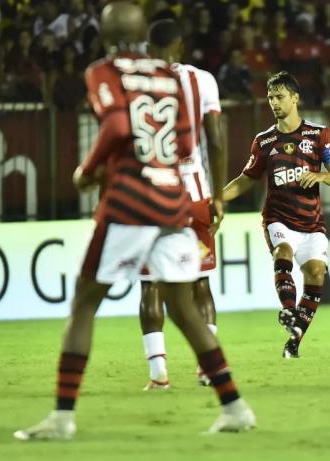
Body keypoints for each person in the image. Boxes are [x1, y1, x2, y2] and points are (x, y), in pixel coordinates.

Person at [13, 2, 254, 441]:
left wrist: (88, 171)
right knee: (184, 307)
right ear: (144, 35)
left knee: (84, 303)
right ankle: (235, 406)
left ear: (104, 36)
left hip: (130, 202)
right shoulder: (171, 76)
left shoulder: (104, 72)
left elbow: (118, 127)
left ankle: (63, 418)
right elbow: (185, 141)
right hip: (174, 201)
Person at [222, 71, 330, 359]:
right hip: (278, 217)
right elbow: (246, 178)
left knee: (316, 274)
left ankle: (294, 341)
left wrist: (319, 175)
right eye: (270, 98)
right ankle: (288, 311)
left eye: (280, 97)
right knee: (283, 251)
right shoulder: (264, 141)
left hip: (312, 223)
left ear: (295, 98)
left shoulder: (318, 134)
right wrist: (217, 199)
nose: (274, 103)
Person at [139, 18, 227, 390]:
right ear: (179, 44)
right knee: (200, 283)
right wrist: (219, 195)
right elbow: (217, 140)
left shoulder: (136, 80)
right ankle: (207, 368)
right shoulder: (202, 80)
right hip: (194, 190)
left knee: (150, 287)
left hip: (149, 194)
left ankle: (159, 374)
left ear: (148, 47)